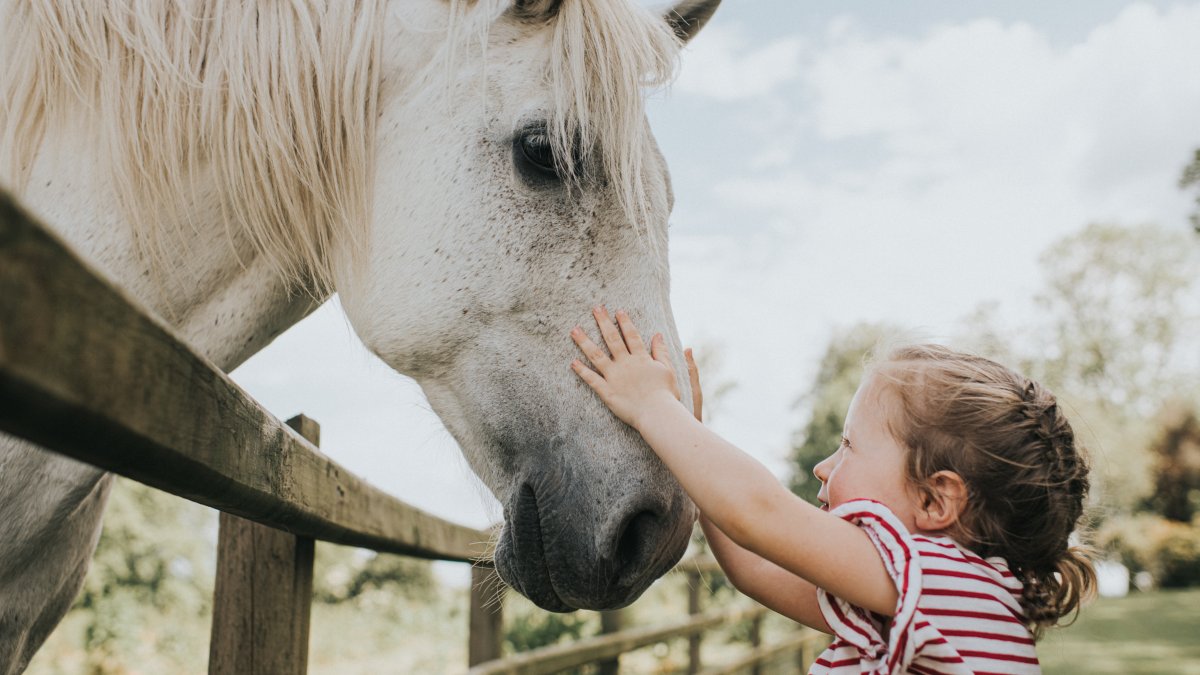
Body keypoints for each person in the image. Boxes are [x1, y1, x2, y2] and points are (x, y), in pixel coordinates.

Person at [569, 306, 1096, 674]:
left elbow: (759, 514)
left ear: (935, 500)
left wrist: (652, 407)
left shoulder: (938, 579)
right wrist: (689, 447)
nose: (823, 467)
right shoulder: (916, 599)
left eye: (847, 446)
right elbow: (759, 565)